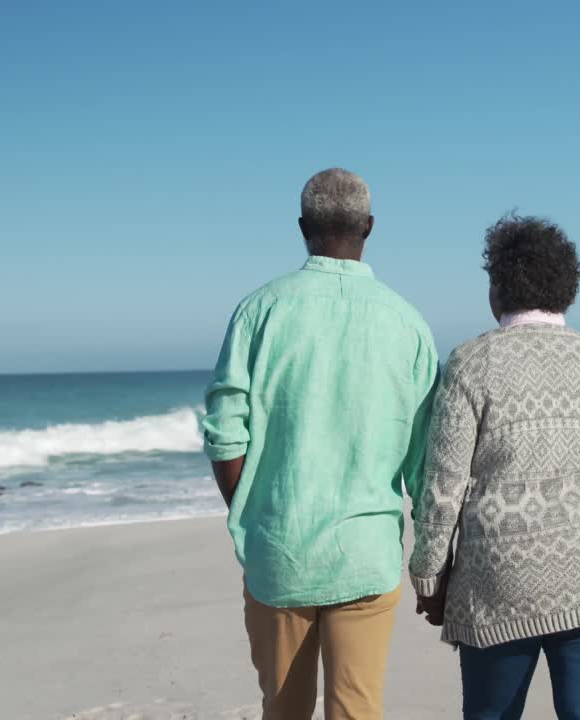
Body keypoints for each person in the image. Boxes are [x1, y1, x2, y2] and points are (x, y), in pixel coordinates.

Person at [203, 168, 438, 720]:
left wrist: (249, 510)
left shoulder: (259, 310)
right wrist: (434, 561)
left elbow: (224, 429)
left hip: (279, 549)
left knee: (283, 711)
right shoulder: (407, 323)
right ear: (370, 227)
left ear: (302, 226)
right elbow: (426, 459)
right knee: (357, 712)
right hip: (366, 551)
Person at [410, 214, 580, 720]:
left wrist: (429, 575)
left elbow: (443, 482)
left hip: (499, 578)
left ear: (497, 288)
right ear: (567, 289)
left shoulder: (472, 363)